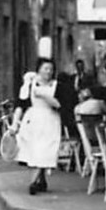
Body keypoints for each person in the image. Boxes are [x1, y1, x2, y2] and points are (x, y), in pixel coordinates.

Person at [16, 58, 63, 195]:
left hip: (50, 120)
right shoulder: (30, 84)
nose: (48, 72)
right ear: (39, 69)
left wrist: (43, 95)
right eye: (45, 68)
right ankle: (40, 180)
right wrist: (15, 123)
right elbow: (21, 105)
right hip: (33, 120)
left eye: (51, 69)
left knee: (45, 150)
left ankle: (33, 182)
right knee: (36, 151)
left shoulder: (56, 86)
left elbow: (58, 105)